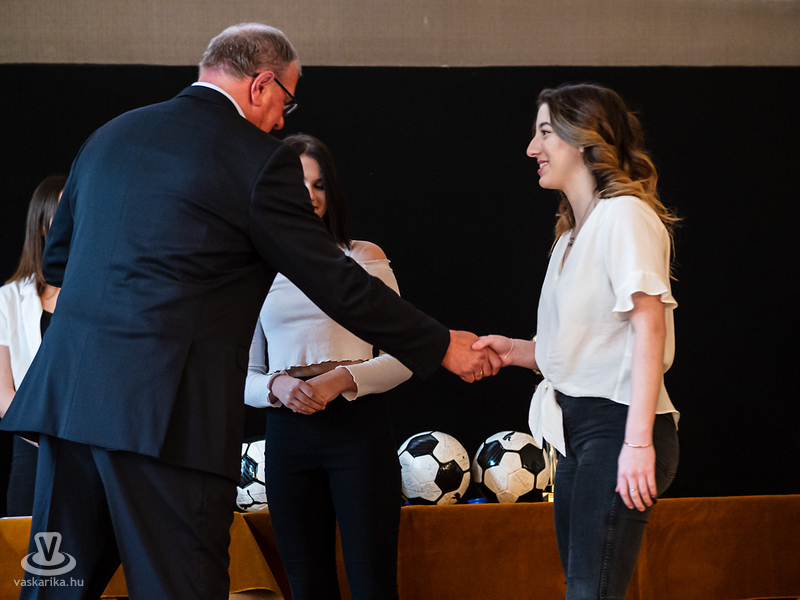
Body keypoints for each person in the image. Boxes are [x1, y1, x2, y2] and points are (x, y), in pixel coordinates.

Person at [0, 23, 497, 599]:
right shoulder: (259, 161)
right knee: (182, 587)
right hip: (168, 418)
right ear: (261, 84)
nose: (283, 120)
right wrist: (442, 344)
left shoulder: (111, 135)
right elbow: (335, 281)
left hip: (69, 407)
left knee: (54, 585)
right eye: (286, 100)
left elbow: (58, 262)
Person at [474, 83, 680, 600]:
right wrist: (517, 351)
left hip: (618, 424)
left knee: (591, 592)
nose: (532, 148)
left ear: (584, 139)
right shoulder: (570, 236)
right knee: (584, 588)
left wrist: (637, 443)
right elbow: (586, 345)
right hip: (576, 432)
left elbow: (649, 327)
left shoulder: (624, 215)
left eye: (545, 133)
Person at [246, 134, 411, 600]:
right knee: (306, 586)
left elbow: (405, 355)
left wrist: (343, 379)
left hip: (358, 430)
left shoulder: (364, 256)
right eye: (298, 184)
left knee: (373, 583)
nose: (310, 196)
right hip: (288, 432)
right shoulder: (255, 267)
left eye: (319, 185)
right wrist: (276, 386)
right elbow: (242, 371)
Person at [0, 175, 66, 516]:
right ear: (42, 224)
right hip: (32, 446)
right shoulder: (8, 299)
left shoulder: (96, 296)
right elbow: (2, 393)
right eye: (64, 213)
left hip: (89, 449)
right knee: (25, 541)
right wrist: (47, 437)